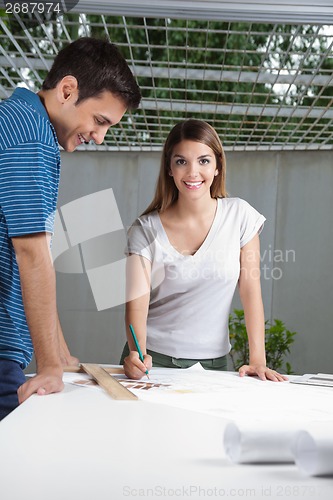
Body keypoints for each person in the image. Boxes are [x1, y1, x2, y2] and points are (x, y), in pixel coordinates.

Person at [0, 37, 141, 420]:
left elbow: (28, 257)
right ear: (67, 90)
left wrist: (59, 353)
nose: (99, 136)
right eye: (99, 121)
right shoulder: (30, 136)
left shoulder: (20, 123)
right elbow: (31, 255)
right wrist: (49, 366)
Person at [122, 119, 287, 382]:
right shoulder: (145, 229)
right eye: (181, 161)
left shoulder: (240, 216)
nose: (192, 172)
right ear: (169, 168)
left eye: (203, 161)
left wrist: (258, 360)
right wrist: (136, 354)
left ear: (218, 166)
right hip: (152, 361)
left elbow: (250, 289)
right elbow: (136, 306)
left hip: (214, 364)